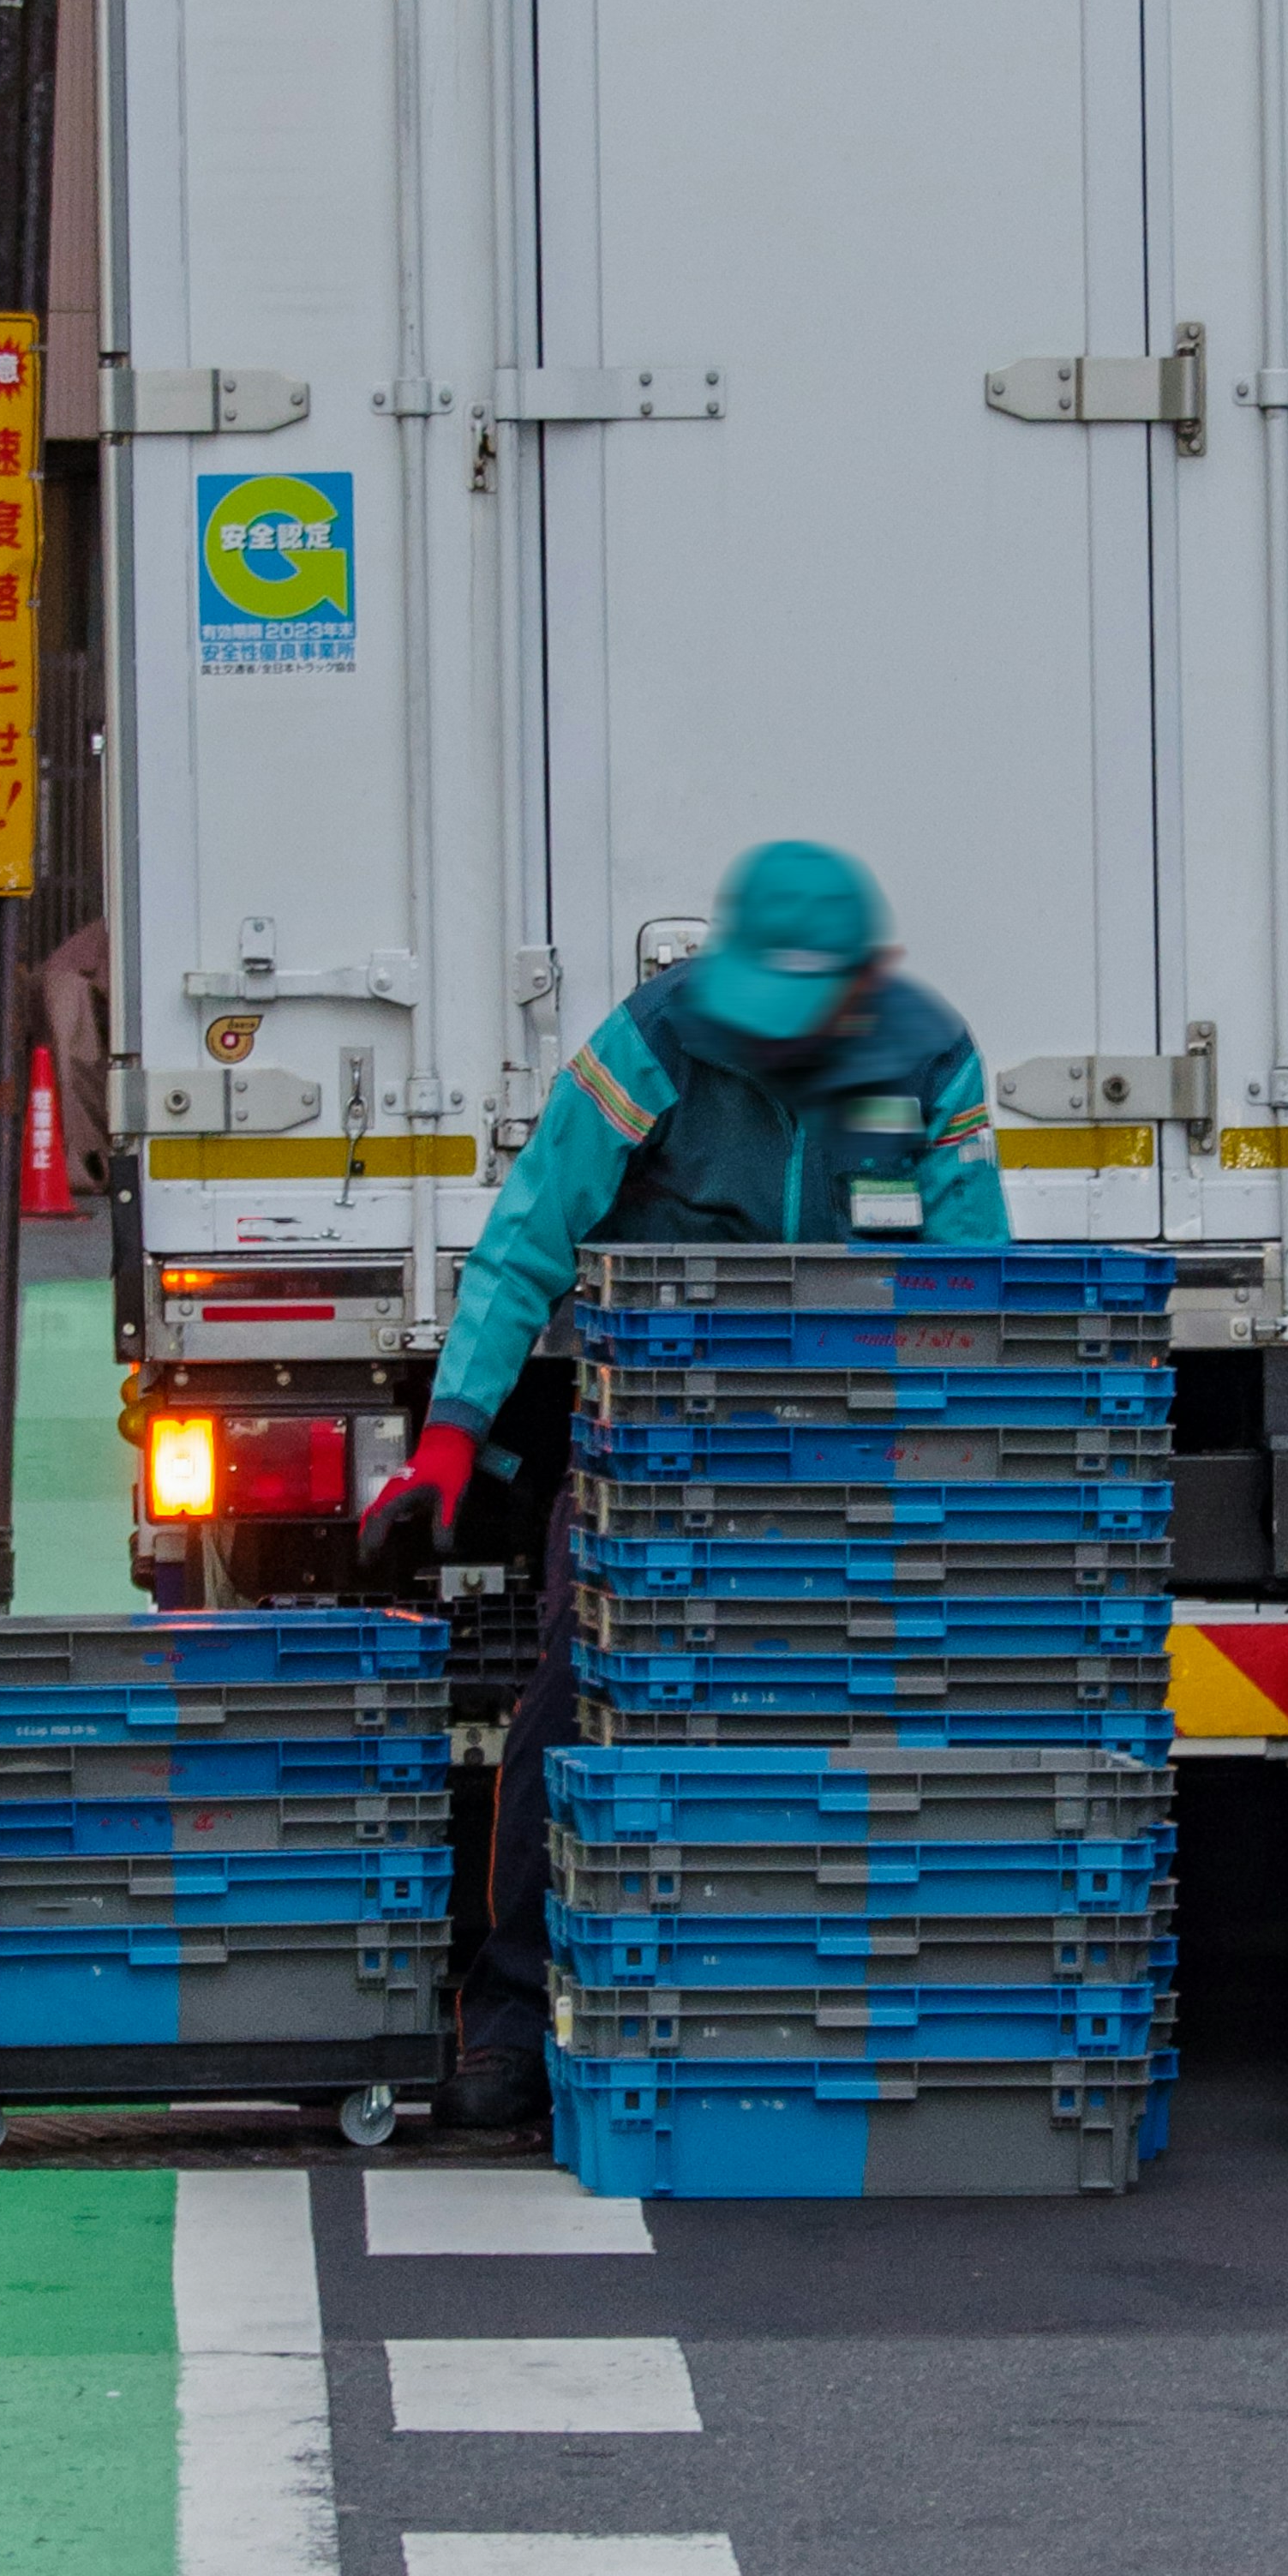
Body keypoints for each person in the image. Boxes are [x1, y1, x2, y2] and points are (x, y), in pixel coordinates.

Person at [357, 837, 1010, 2132]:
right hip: (652, 1443)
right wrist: (452, 1431)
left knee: (857, 1709)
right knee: (571, 1691)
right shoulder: (656, 1038)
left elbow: (971, 1273)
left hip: (844, 1445)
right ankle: (506, 2015)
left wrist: (964, 1453)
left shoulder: (929, 1056)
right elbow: (530, 1231)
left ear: (865, 982)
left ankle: (816, 2006)